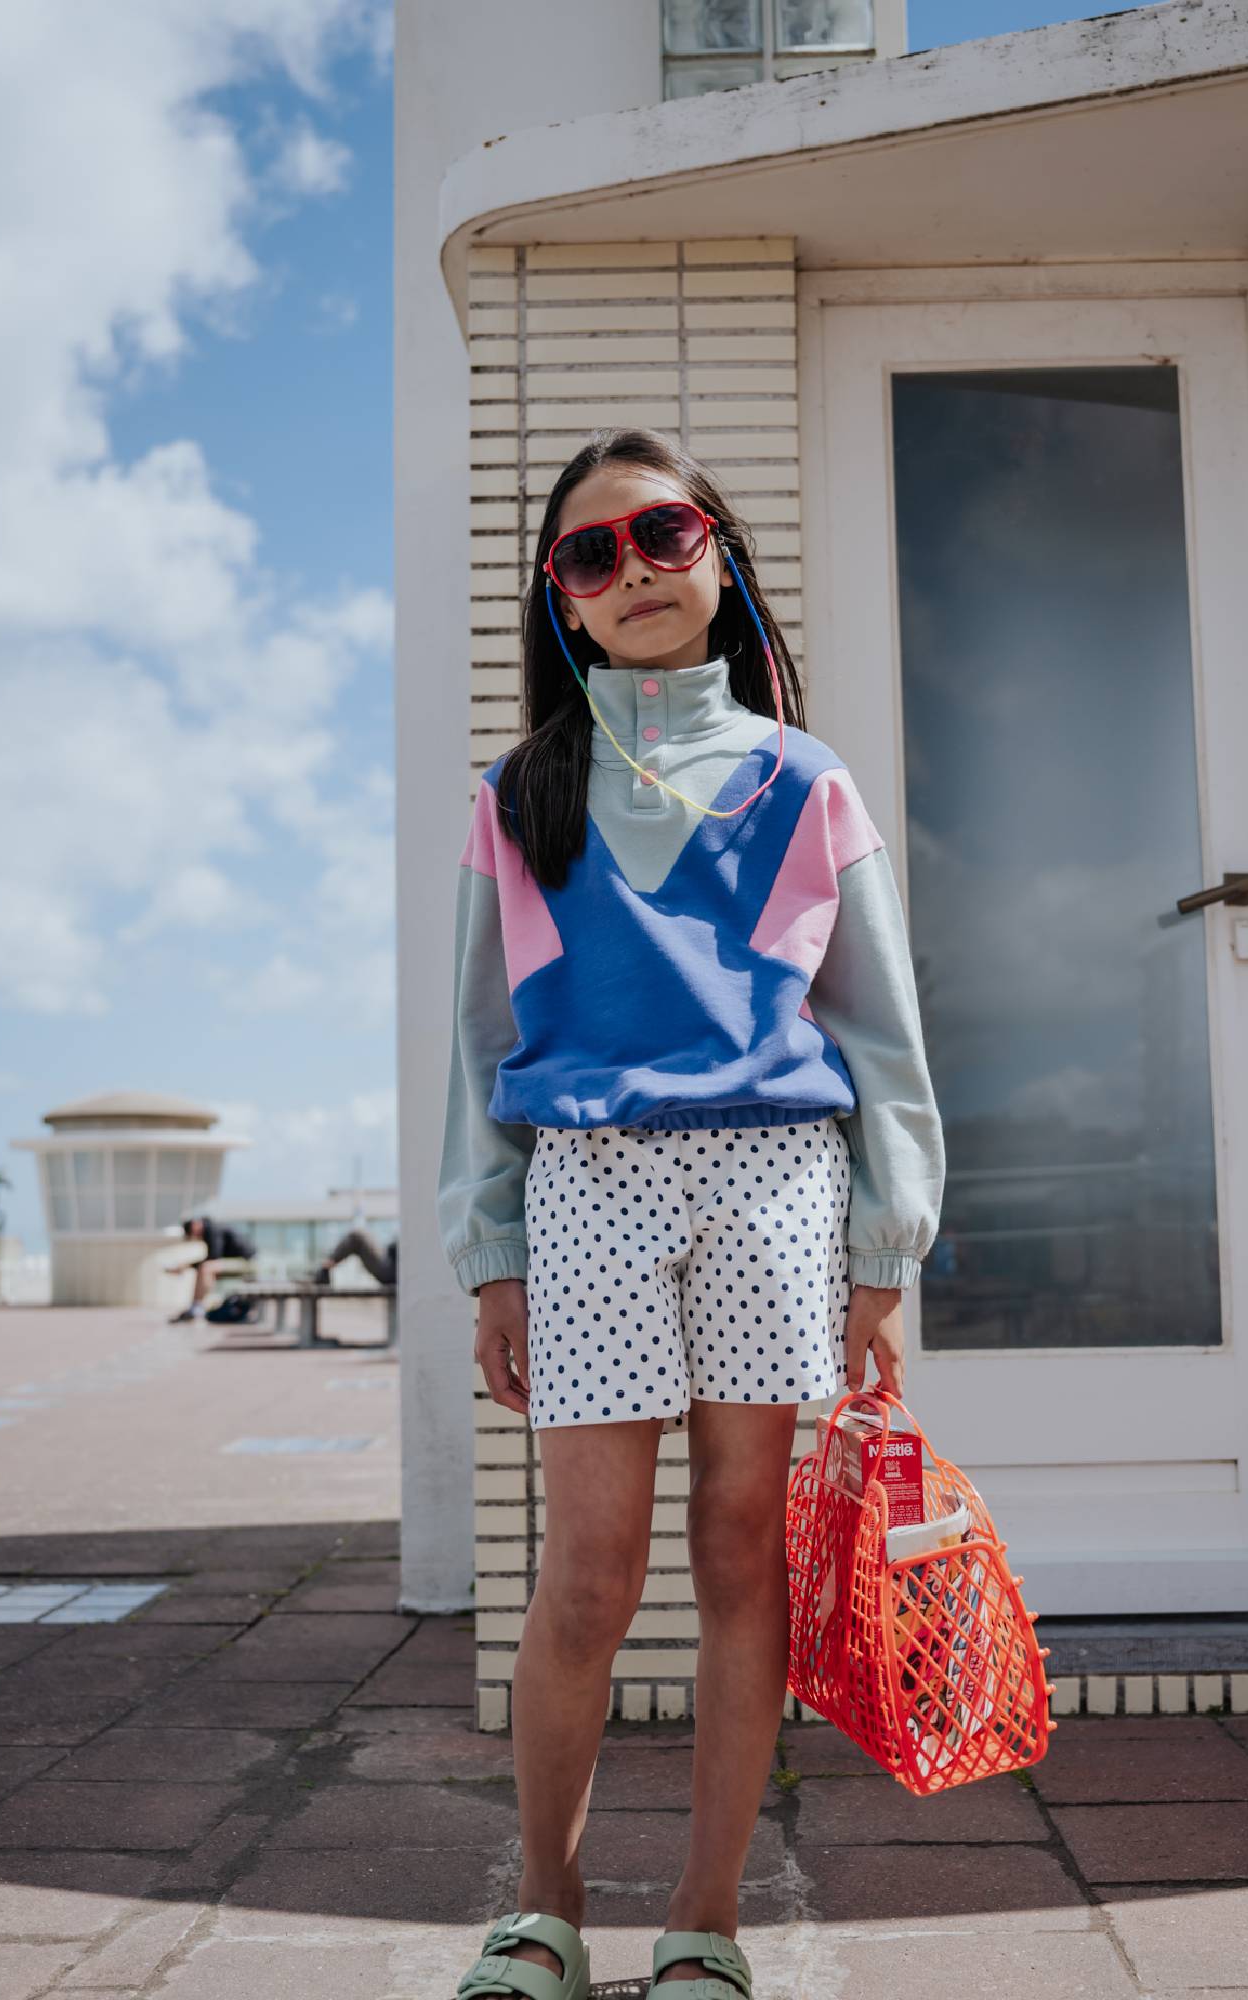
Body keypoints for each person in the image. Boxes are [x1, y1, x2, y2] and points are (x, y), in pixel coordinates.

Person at [437, 426, 945, 2000]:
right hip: (588, 1186)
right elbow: (480, 1047)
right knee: (587, 1571)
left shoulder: (809, 782)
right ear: (561, 603)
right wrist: (494, 1247)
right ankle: (544, 1912)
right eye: (591, 554)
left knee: (742, 1554)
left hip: (778, 1184)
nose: (635, 572)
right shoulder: (523, 796)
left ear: (717, 555)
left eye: (663, 536)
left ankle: (707, 1924)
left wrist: (882, 1241)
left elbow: (880, 1029)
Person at [165, 1214, 255, 1322]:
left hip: (247, 1262)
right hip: (237, 1261)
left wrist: (186, 1266)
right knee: (204, 1268)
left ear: (195, 1225)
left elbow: (213, 1257)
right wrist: (186, 1266)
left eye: (192, 1233)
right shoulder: (209, 1230)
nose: (196, 1236)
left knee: (207, 1267)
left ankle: (198, 1307)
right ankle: (195, 1306)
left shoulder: (212, 1229)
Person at [309, 1227, 397, 1287]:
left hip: (391, 1271)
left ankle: (324, 1268)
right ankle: (324, 1269)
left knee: (357, 1237)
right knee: (357, 1236)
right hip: (392, 1267)